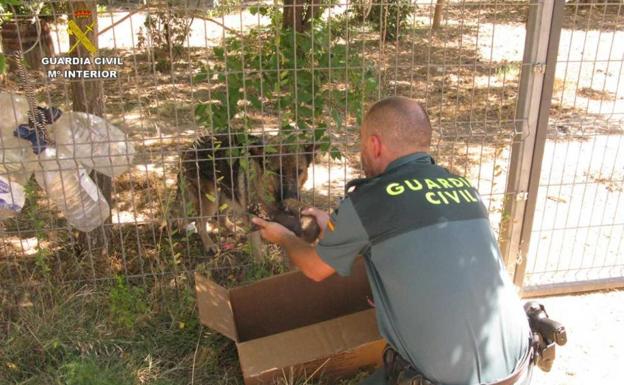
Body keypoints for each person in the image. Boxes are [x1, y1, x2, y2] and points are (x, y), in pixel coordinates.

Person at [252, 96, 532, 385]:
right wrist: (336, 227)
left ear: (374, 145)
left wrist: (283, 236)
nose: (362, 153)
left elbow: (314, 268)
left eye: (361, 145)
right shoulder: (464, 188)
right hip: (519, 365)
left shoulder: (369, 201)